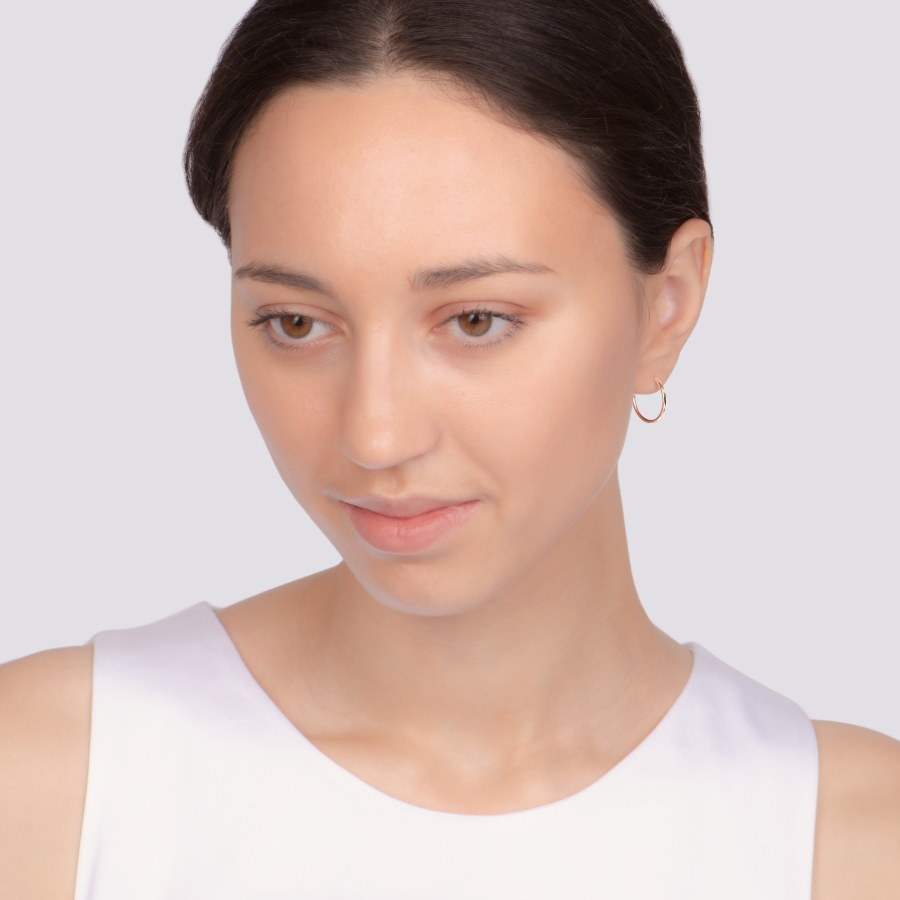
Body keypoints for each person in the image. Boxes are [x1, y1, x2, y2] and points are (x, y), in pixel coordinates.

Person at [1, 0, 898, 897]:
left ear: (666, 306)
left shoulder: (854, 843)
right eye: (297, 322)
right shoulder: (47, 778)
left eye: (475, 321)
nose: (375, 435)